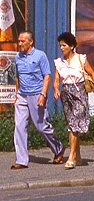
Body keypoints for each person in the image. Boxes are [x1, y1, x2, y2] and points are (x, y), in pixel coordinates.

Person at [11, 31, 65, 169]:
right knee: (19, 126)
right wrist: (17, 94)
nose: (20, 43)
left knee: (41, 126)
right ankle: (21, 160)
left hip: (36, 95)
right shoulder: (18, 57)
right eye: (19, 41)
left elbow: (47, 76)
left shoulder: (40, 56)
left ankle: (58, 148)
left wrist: (43, 94)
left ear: (31, 42)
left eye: (23, 41)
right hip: (22, 95)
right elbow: (18, 77)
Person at [52, 31, 94, 169]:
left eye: (64, 45)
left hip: (79, 93)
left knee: (74, 125)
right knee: (72, 124)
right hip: (66, 94)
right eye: (60, 45)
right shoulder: (58, 62)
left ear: (71, 46)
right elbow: (56, 80)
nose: (61, 48)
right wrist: (56, 89)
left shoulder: (80, 59)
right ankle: (78, 156)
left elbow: (93, 74)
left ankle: (71, 156)